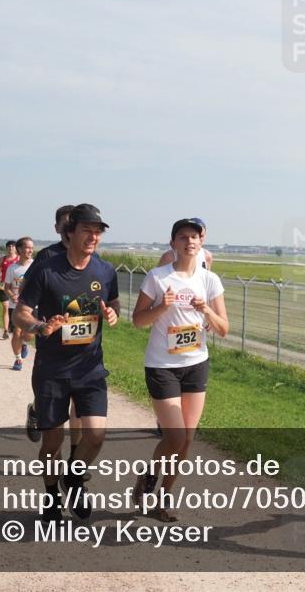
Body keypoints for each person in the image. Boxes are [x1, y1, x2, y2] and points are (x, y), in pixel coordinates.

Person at [13, 204, 119, 522]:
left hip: (89, 368)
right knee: (52, 441)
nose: (93, 236)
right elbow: (21, 311)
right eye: (87, 229)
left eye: (98, 231)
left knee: (96, 436)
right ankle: (51, 496)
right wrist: (37, 327)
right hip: (52, 370)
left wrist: (112, 313)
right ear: (69, 232)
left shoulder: (105, 271)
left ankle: (73, 479)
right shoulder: (46, 270)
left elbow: (112, 303)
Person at [132, 218, 228, 522]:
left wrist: (206, 310)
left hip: (196, 364)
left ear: (201, 242)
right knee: (174, 436)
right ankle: (148, 478)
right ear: (173, 243)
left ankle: (164, 497)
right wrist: (162, 306)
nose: (190, 241)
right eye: (183, 237)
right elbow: (137, 320)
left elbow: (224, 329)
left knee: (187, 438)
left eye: (195, 237)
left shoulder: (209, 280)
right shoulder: (158, 278)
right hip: (162, 365)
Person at [24, 204, 75, 444]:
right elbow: (28, 290)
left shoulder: (91, 255)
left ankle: (76, 460)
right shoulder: (46, 256)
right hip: (51, 335)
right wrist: (36, 321)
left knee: (80, 401)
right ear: (57, 228)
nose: (71, 229)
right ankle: (37, 409)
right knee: (47, 394)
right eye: (66, 224)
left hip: (80, 337)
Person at [4, 237, 35, 370]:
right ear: (20, 249)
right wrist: (12, 296)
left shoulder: (36, 266)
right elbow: (6, 287)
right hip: (15, 305)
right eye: (28, 247)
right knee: (16, 332)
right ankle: (18, 359)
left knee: (29, 335)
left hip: (32, 306)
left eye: (32, 248)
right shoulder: (12, 268)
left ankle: (24, 343)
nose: (30, 250)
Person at [0, 241, 19, 340]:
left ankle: (14, 327)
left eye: (13, 246)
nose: (11, 248)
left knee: (15, 309)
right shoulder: (3, 259)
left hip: (17, 288)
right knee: (6, 307)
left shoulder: (19, 259)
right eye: (9, 246)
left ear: (16, 248)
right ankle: (6, 330)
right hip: (4, 287)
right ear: (6, 248)